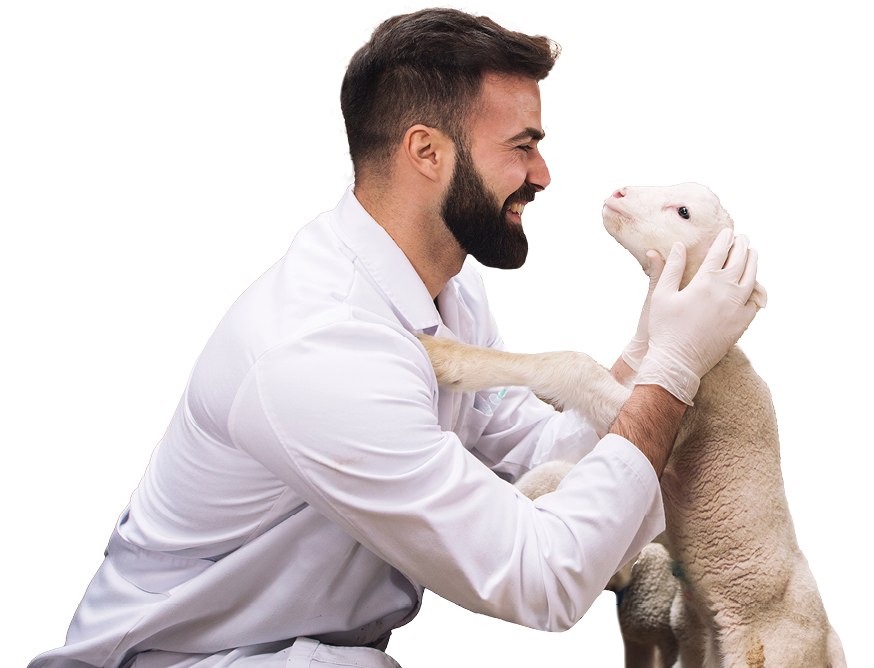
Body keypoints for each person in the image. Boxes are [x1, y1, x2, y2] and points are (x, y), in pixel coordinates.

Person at [28, 6, 759, 668]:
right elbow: (543, 579)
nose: (542, 173)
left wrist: (649, 342)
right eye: (521, 145)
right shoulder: (319, 348)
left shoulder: (446, 296)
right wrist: (673, 369)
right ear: (427, 152)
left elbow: (538, 457)